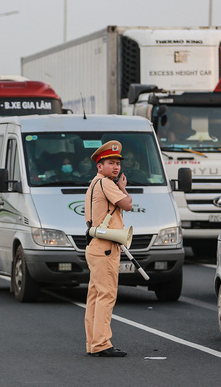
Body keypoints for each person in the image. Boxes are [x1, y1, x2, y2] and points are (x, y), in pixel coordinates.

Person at [84, 140, 133, 357]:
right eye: (111, 163)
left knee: (95, 296)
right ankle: (102, 344)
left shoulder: (94, 183)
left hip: (96, 246)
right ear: (99, 165)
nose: (116, 167)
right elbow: (128, 204)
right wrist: (122, 188)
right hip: (105, 248)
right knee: (107, 295)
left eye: (117, 163)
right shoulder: (106, 184)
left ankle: (94, 343)